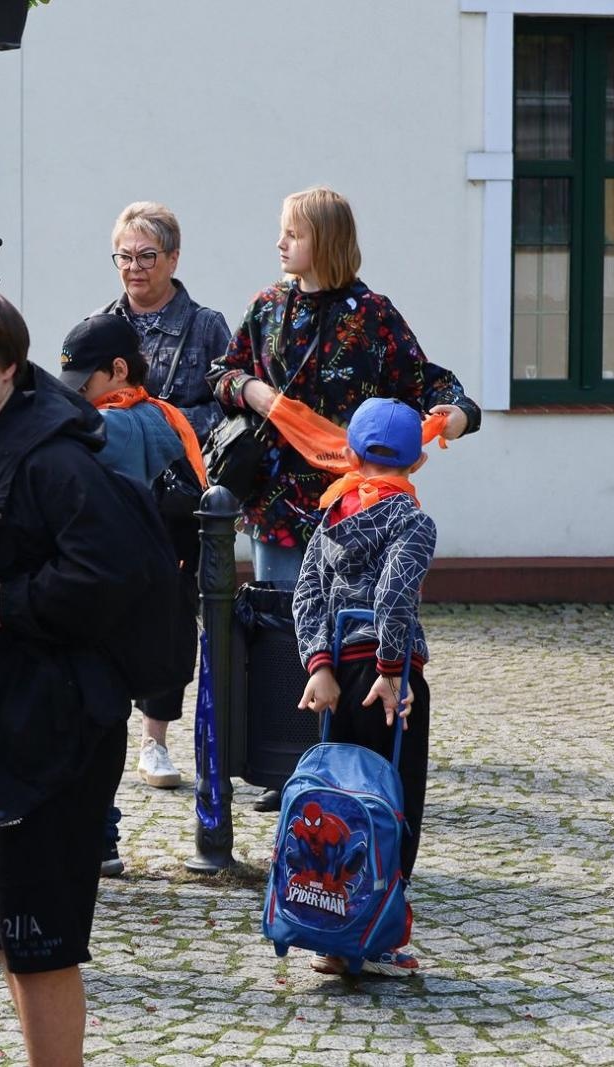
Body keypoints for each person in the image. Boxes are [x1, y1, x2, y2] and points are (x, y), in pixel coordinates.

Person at [0, 278, 154, 1066]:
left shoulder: (52, 462)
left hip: (54, 736)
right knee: (11, 939)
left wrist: (7, 600)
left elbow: (113, 575)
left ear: (9, 367)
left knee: (43, 946)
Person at [208, 185, 480, 810]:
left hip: (355, 509)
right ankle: (293, 770)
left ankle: (354, 764)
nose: (280, 244)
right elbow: (219, 374)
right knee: (292, 632)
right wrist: (248, 388)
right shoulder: (266, 307)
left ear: (325, 242)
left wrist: (459, 415)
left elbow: (429, 383)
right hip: (279, 501)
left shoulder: (373, 314)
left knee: (354, 632)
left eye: (293, 234)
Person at [57, 313, 207, 875]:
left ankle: (97, 835)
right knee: (113, 717)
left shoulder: (103, 430)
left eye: (85, 385)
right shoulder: (169, 421)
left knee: (90, 719)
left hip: (102, 596)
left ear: (117, 370)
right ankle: (105, 838)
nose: (79, 398)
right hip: (158, 593)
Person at [292, 397, 436, 978]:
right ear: (419, 461)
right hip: (386, 680)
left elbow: (306, 594)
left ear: (349, 455)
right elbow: (395, 596)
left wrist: (319, 668)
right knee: (395, 802)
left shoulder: (331, 515)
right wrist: (391, 668)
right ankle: (380, 930)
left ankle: (334, 933)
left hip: (334, 680)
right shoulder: (412, 520)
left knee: (338, 802)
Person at [93, 201, 230, 443]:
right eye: (125, 257)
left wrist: (169, 421)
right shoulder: (97, 326)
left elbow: (233, 411)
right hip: (112, 475)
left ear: (173, 259)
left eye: (146, 256)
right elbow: (75, 405)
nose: (134, 267)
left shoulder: (206, 327)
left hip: (186, 474)